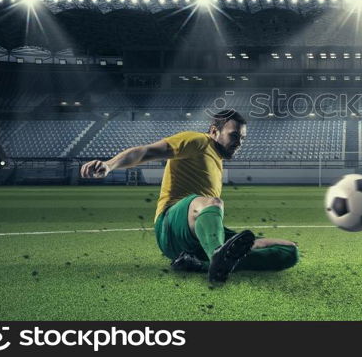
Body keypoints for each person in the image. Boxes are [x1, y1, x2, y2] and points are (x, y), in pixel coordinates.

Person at [80, 110, 298, 283]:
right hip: (171, 227)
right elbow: (147, 151)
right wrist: (109, 165)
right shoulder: (197, 141)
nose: (239, 142)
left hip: (195, 237)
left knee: (289, 250)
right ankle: (217, 254)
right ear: (214, 131)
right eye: (234, 135)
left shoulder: (217, 159)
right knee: (212, 202)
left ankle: (201, 264)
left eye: (242, 138)